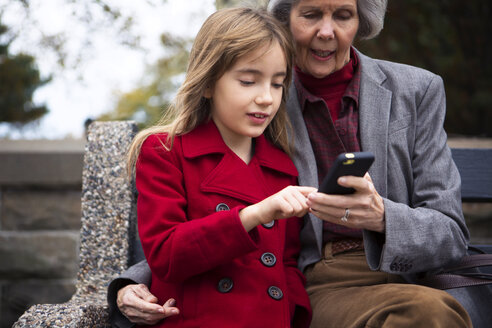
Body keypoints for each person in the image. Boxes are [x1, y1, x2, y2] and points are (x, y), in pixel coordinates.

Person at [109, 0, 475, 327]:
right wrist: (130, 283)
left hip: (408, 272)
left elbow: (451, 233)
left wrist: (381, 216)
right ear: (286, 19)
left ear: (361, 21)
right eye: (311, 14)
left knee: (427, 310)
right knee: (422, 314)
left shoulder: (417, 89)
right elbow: (188, 223)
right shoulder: (262, 98)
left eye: (343, 15)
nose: (327, 32)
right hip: (321, 277)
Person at [121, 7, 314, 328]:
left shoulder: (282, 169)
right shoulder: (165, 152)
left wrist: (293, 311)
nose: (266, 98)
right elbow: (166, 255)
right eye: (249, 81)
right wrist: (254, 215)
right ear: (208, 82)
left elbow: (286, 262)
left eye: (277, 84)